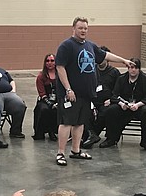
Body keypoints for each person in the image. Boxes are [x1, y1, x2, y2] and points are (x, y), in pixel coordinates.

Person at [54, 17, 133, 166]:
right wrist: (68, 89)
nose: (83, 31)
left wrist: (123, 61)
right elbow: (60, 67)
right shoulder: (66, 46)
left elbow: (105, 55)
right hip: (71, 94)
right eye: (80, 28)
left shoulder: (90, 45)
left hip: (86, 93)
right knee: (67, 122)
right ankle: (60, 153)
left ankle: (75, 151)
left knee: (80, 123)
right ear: (74, 29)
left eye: (85, 28)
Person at [103, 58, 146, 151]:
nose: (133, 70)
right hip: (125, 106)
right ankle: (111, 139)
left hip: (140, 106)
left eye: (135, 68)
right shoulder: (121, 79)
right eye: (131, 67)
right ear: (128, 68)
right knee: (111, 110)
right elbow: (114, 95)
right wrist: (121, 104)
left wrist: (138, 105)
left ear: (139, 69)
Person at [81, 47, 122, 149]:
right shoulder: (90, 70)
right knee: (83, 111)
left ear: (107, 59)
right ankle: (91, 134)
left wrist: (112, 99)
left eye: (102, 58)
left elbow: (118, 90)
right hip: (92, 101)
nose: (99, 61)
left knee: (106, 112)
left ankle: (94, 135)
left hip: (107, 102)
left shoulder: (114, 72)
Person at [33, 53, 58, 141]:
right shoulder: (41, 77)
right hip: (45, 100)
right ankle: (49, 131)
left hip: (59, 100)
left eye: (52, 61)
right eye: (47, 61)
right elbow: (42, 93)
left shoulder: (61, 75)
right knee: (45, 109)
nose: (49, 63)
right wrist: (50, 103)